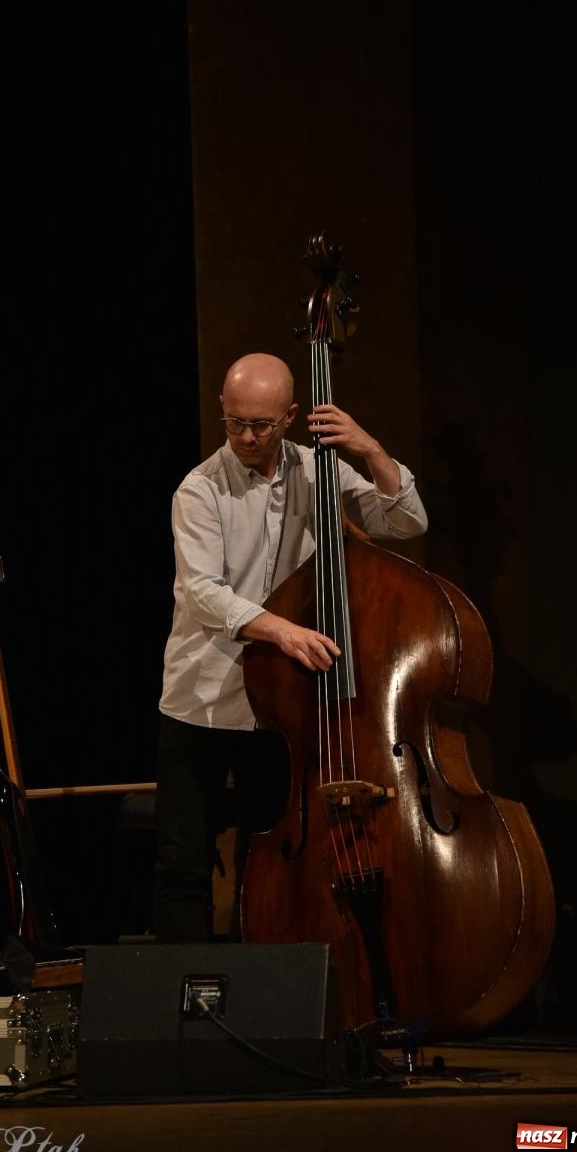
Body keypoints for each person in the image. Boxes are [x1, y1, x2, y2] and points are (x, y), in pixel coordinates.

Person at [153, 351, 428, 943]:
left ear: (290, 417)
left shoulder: (316, 469)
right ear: (222, 409)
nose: (247, 437)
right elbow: (203, 592)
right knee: (184, 863)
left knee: (269, 861)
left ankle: (264, 984)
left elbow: (406, 523)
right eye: (235, 423)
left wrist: (370, 450)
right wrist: (284, 630)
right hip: (202, 698)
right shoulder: (198, 489)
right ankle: (182, 994)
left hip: (278, 706)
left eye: (262, 425)